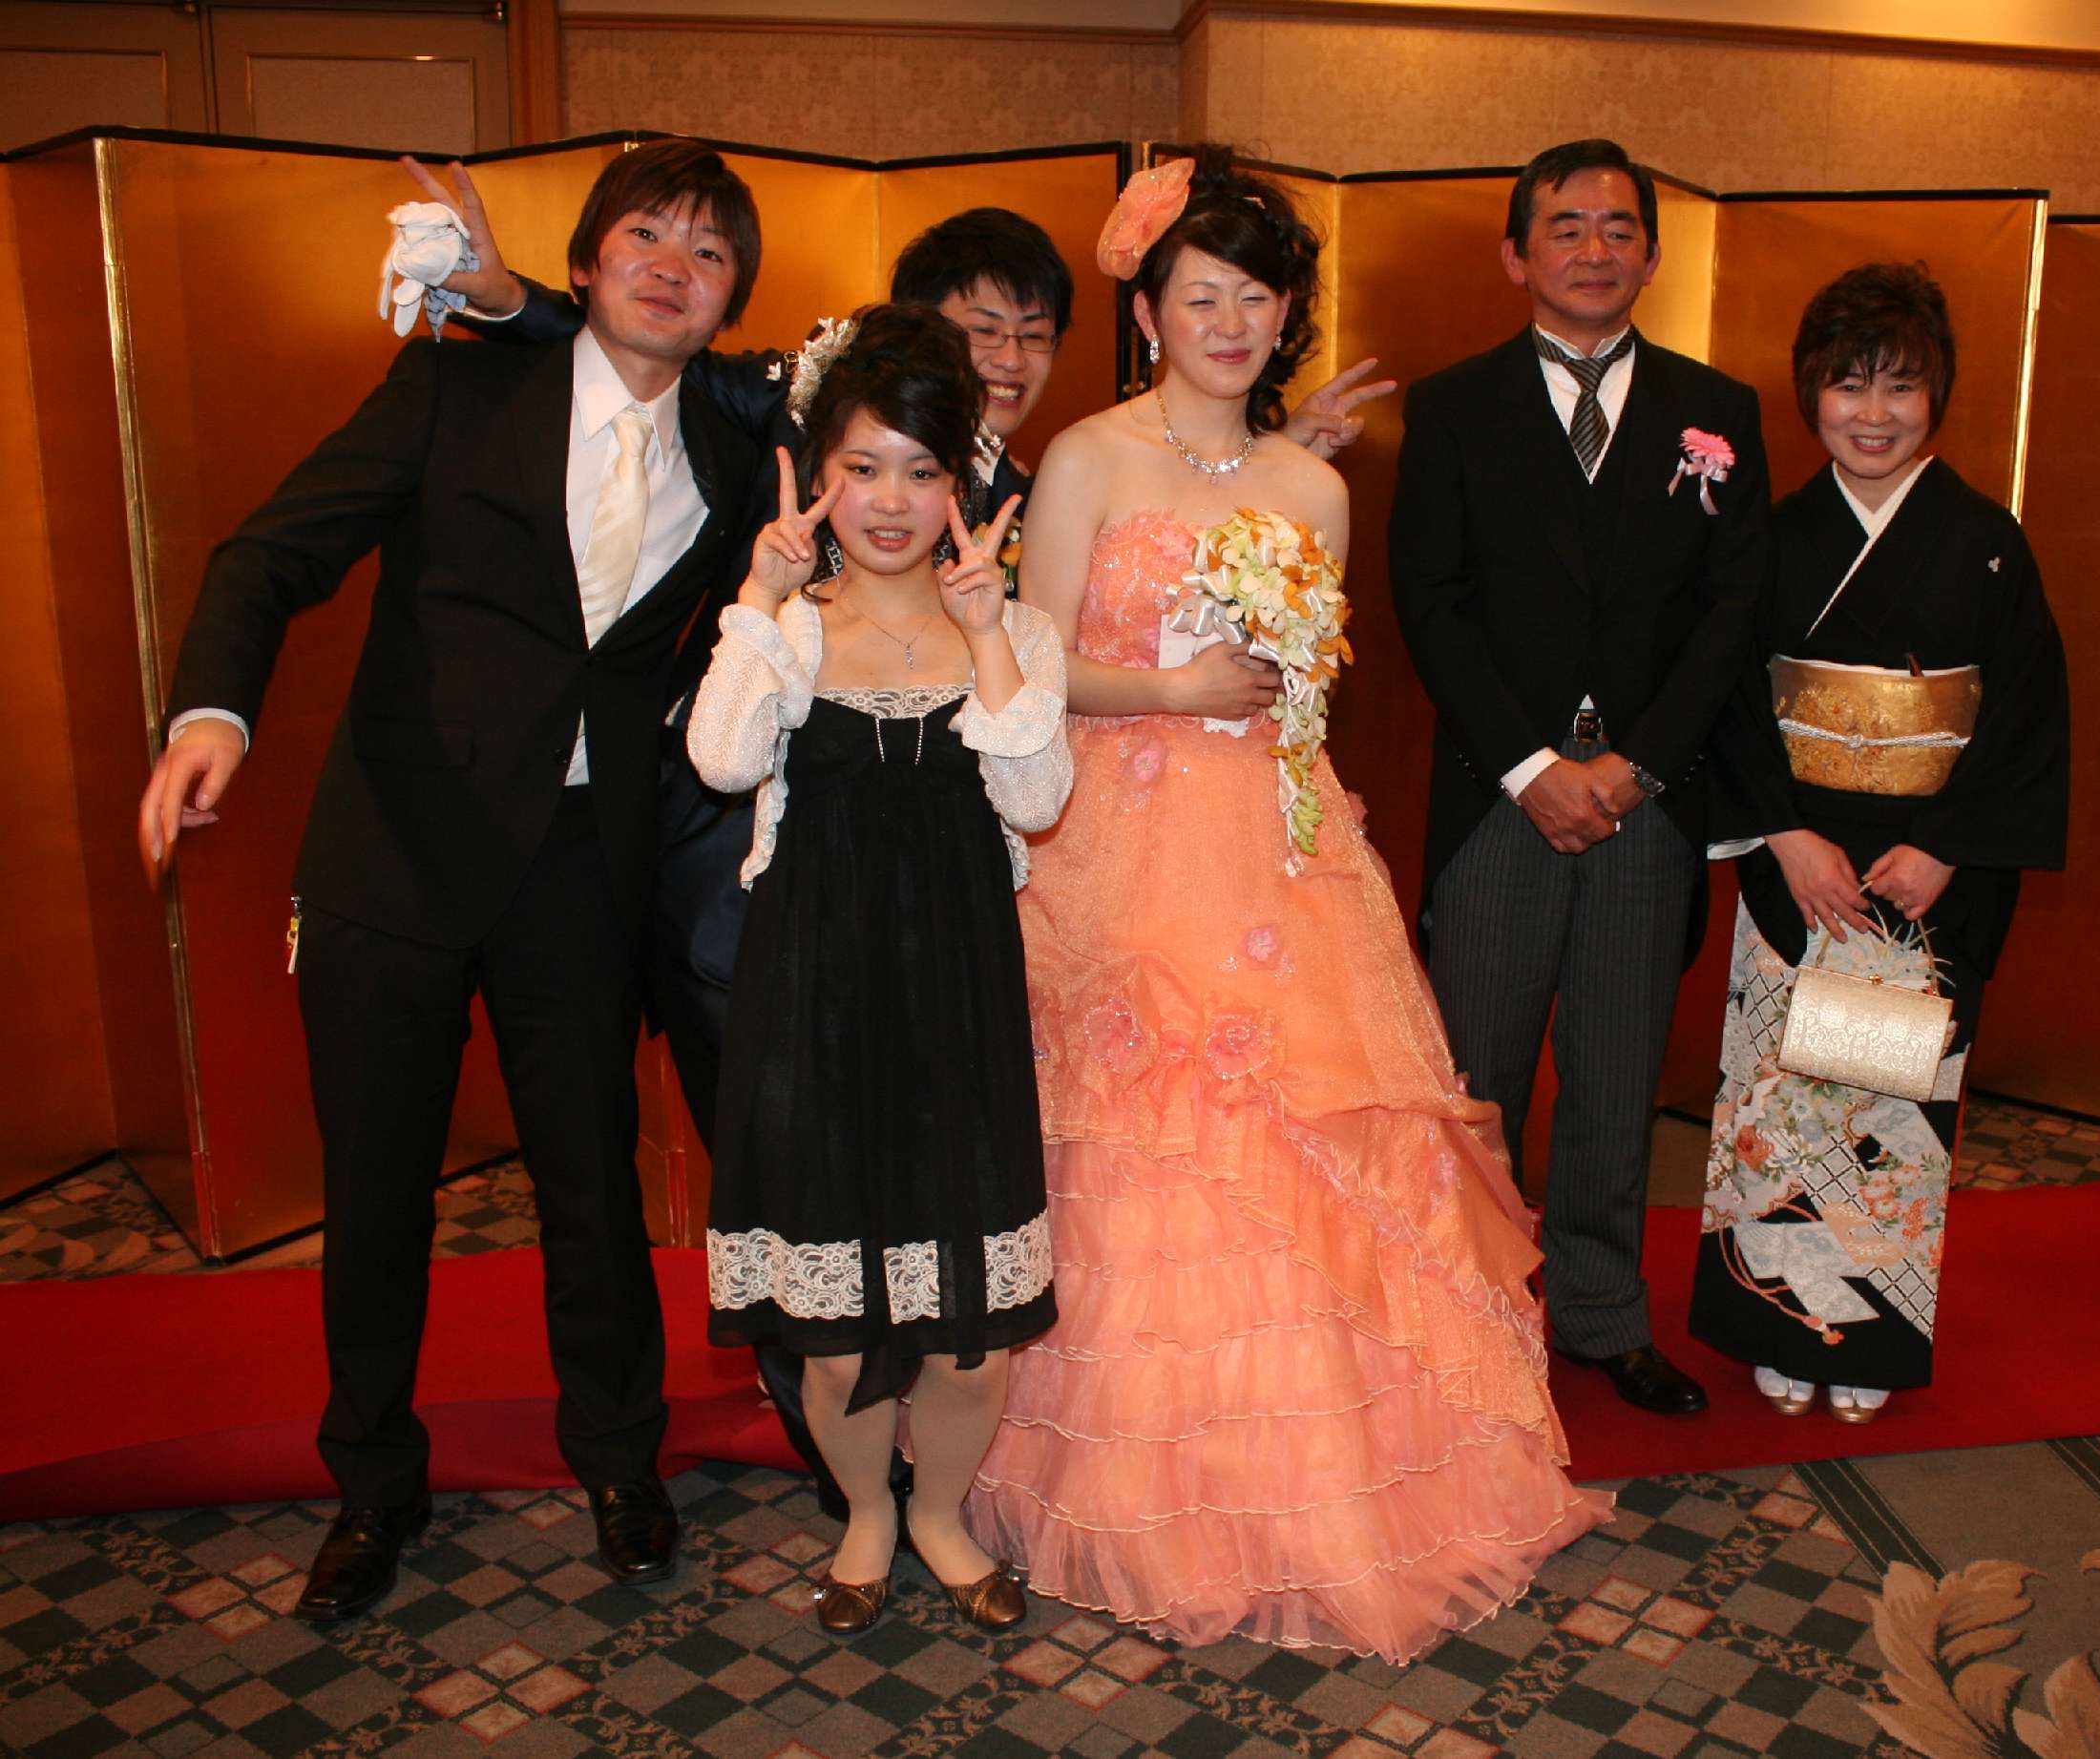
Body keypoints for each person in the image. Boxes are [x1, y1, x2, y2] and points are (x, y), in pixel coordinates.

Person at [404, 165, 1394, 1512]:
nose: (1004, 360)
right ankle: (814, 1455)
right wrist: (501, 295)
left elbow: (1038, 739)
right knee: (793, 1184)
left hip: (1002, 878)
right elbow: (656, 350)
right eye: (978, 328)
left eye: (1031, 333)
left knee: (1016, 1163)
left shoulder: (1038, 489)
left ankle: (981, 1456)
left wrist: (1264, 462)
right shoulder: (838, 439)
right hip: (771, 896)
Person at [969, 146, 1608, 1663]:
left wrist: (1265, 728)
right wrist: (1172, 687)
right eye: (1202, 296)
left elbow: (1305, 695)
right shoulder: (1086, 459)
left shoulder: (1314, 484)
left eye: (1256, 299)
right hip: (1115, 845)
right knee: (1141, 1145)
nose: (1231, 323)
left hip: (1273, 841)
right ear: (1150, 312)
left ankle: (1330, 1489)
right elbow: (1025, 669)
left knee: (1312, 1141)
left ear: (1284, 318)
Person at [136, 140, 770, 1622]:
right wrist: (211, 714)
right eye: (645, 235)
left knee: (590, 1183)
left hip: (582, 863)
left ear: (731, 296)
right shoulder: (454, 387)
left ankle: (618, 1457)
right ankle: (373, 1482)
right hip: (395, 850)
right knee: (373, 1192)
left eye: (708, 251)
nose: (672, 267)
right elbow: (267, 554)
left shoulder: (743, 445)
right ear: (585, 261)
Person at [685, 304, 1068, 1634]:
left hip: (959, 1005)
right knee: (837, 1322)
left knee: (969, 1324)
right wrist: (757, 596)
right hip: (814, 1005)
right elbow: (721, 760)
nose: (891, 501)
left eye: (920, 469)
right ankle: (862, 1513)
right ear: (818, 476)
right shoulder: (788, 631)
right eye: (861, 467)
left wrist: (987, 632)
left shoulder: (1011, 631)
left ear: (960, 483)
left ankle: (941, 1515)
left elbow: (1038, 796)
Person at [1388, 138, 1769, 1418]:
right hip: (1500, 800)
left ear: (1651, 254)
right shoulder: (1451, 407)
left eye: (1618, 228)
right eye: (1565, 226)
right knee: (1476, 1077)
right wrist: (1531, 765)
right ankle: (1466, 1313)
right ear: (1516, 255)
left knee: (1616, 1070)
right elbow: (1429, 602)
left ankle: (1604, 1312)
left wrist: (1635, 765)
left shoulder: (1719, 409)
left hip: (1645, 804)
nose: (1593, 248)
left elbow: (1732, 610)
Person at [1692, 262, 2068, 1421]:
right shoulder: (1772, 536)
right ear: (1809, 394)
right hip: (1800, 863)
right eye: (1847, 385)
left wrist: (1946, 846)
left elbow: (2022, 713)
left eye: (1898, 386)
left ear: (1935, 396)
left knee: (1879, 1114)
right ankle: (1777, 1318)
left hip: (1915, 876)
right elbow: (1727, 696)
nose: (1871, 413)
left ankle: (1859, 1332)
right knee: (1782, 1104)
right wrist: (1785, 833)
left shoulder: (1986, 542)